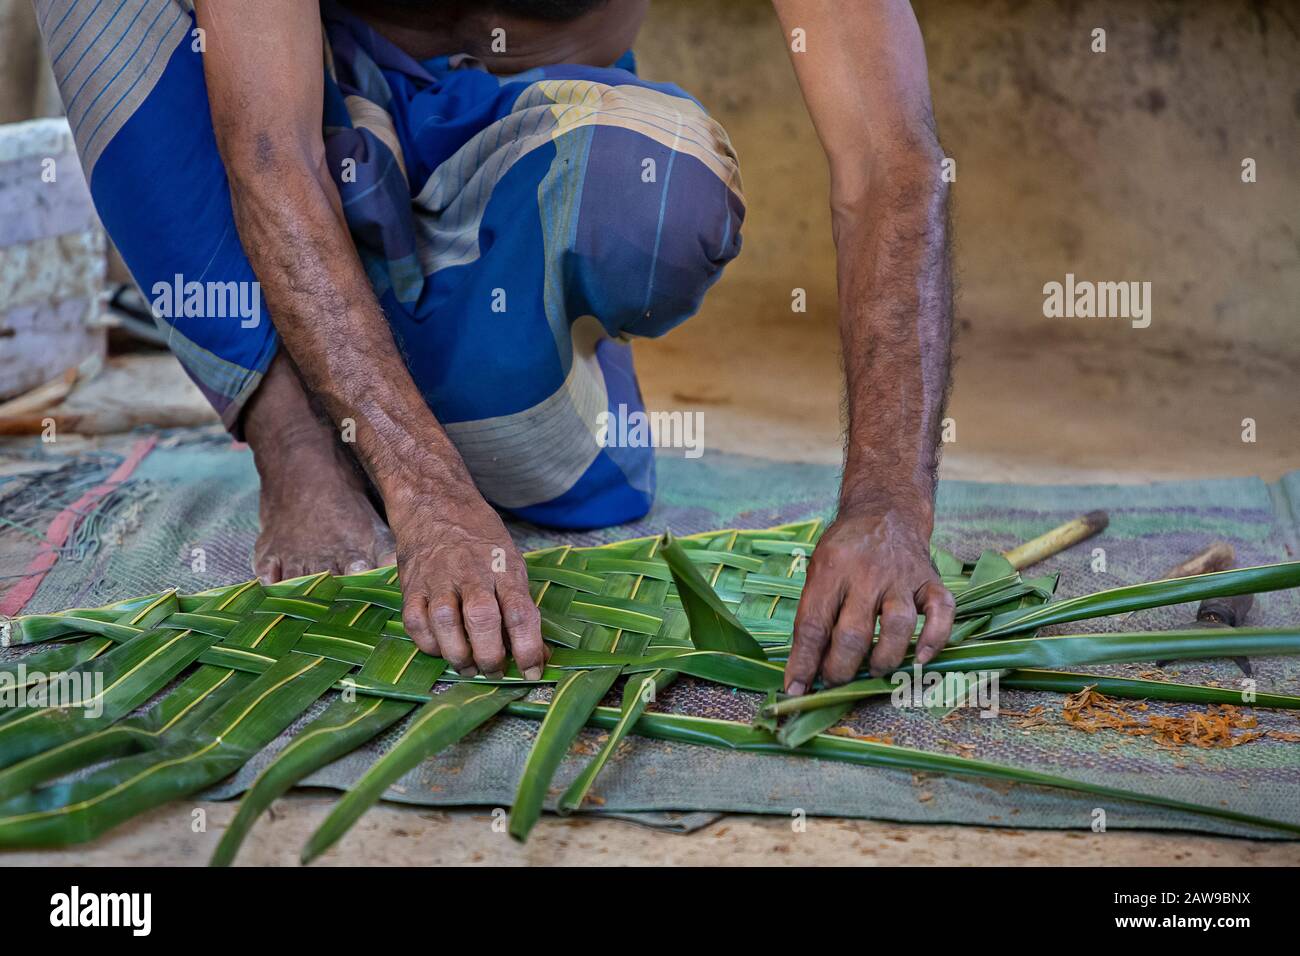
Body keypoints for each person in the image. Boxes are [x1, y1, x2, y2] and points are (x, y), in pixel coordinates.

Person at [35, 0, 954, 693]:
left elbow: (888, 158)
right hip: (321, 131)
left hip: (519, 151)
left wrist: (887, 503)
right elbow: (270, 148)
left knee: (662, 197)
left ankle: (471, 391)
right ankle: (301, 443)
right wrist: (427, 498)